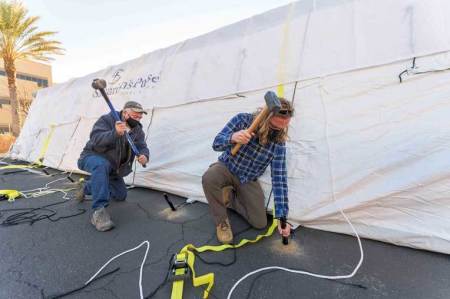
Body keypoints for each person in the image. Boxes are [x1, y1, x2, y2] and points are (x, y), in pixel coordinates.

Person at [202, 95, 294, 244]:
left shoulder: (279, 144)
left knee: (260, 223)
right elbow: (216, 144)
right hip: (227, 167)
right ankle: (221, 222)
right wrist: (233, 137)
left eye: (283, 127)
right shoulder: (242, 120)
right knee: (209, 177)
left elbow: (279, 179)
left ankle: (230, 197)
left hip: (248, 178)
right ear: (266, 117)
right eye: (275, 126)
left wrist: (281, 217)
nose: (278, 130)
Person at [76, 101, 149, 231]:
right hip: (92, 157)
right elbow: (96, 139)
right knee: (101, 165)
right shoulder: (107, 119)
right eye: (135, 116)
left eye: (140, 117)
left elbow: (142, 146)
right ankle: (99, 212)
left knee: (120, 195)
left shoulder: (137, 130)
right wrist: (114, 133)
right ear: (126, 113)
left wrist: (144, 156)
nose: (138, 119)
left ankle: (88, 187)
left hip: (115, 168)